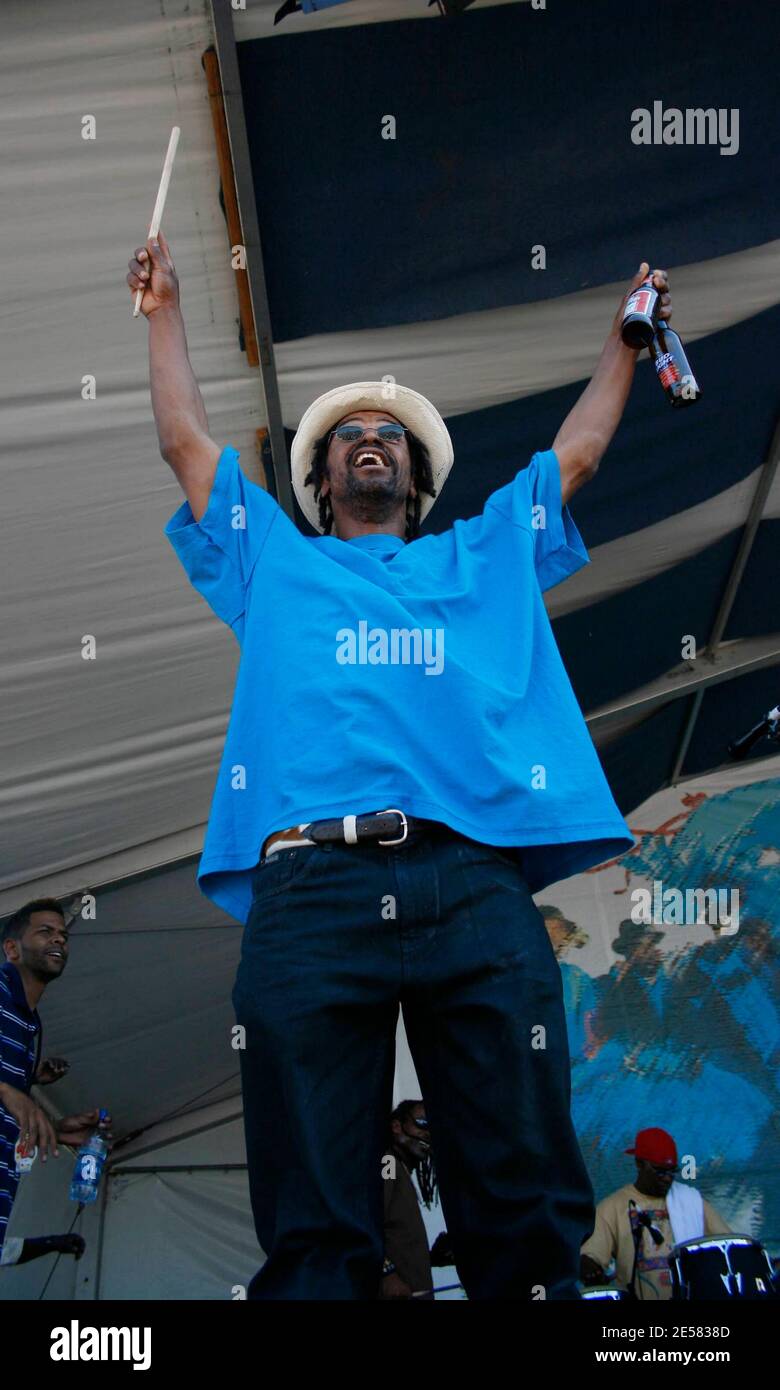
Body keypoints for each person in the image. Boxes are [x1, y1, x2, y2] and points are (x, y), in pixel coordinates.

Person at [127, 233, 673, 1300]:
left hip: (471, 881)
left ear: (417, 478)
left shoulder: (480, 555)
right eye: (347, 438)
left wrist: (621, 345)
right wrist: (162, 314)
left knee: (523, 1212)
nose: (369, 442)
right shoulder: (271, 558)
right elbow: (184, 439)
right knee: (318, 1225)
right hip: (309, 888)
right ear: (321, 481)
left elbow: (580, 454)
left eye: (388, 437)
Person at [0, 899, 110, 1258]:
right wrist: (8, 1090)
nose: (60, 940)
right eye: (45, 932)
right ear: (11, 948)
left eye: (63, 935)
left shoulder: (28, 1024)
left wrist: (55, 1128)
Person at [580, 1127, 733, 1299]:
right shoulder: (612, 1207)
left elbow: (729, 1246)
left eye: (671, 1171)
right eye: (659, 1170)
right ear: (639, 1163)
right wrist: (589, 1268)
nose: (667, 1178)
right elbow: (590, 1257)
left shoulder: (691, 1202)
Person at [380, 1099, 443, 1300]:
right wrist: (387, 1274)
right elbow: (369, 1224)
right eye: (422, 1123)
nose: (428, 1133)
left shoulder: (401, 1169)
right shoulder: (389, 1163)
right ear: (397, 1127)